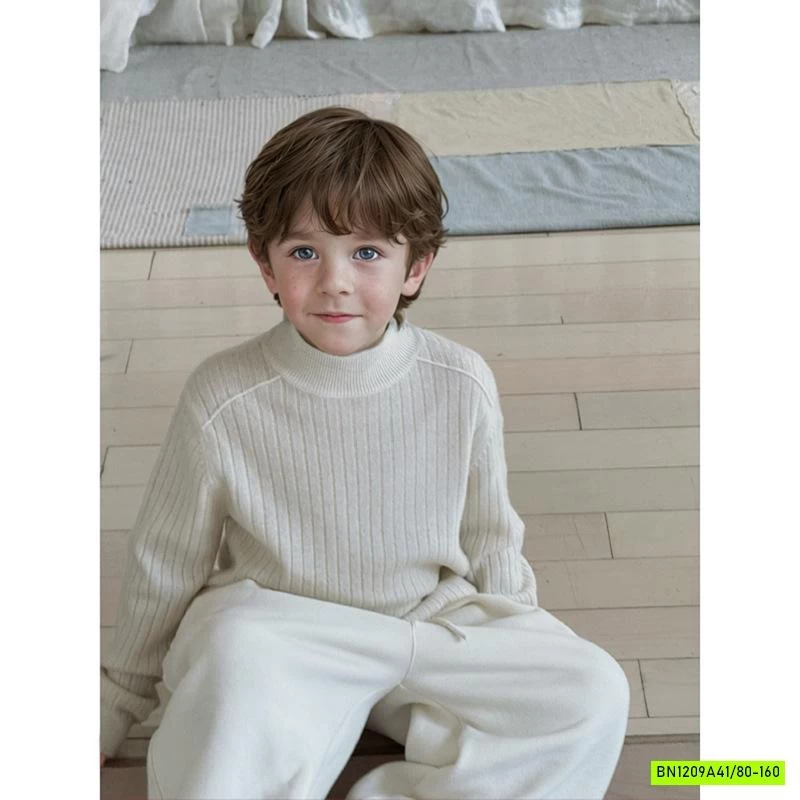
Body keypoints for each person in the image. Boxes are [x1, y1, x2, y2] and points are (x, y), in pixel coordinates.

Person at [100, 106, 629, 799]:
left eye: (368, 253)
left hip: (427, 628)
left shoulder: (461, 380)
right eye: (304, 252)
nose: (336, 281)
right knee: (230, 657)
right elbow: (166, 562)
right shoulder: (222, 396)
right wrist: (115, 703)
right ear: (265, 264)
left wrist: (519, 651)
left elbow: (492, 537)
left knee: (592, 689)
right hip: (285, 634)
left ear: (417, 266)